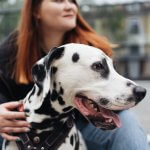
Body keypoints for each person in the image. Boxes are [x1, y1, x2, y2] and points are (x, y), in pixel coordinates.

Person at [0, 0, 149, 149]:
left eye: (72, 1)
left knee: (127, 124)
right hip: (22, 130)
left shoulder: (93, 49)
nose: (69, 6)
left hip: (84, 127)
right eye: (58, 1)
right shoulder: (9, 53)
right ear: (36, 10)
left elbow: (110, 92)